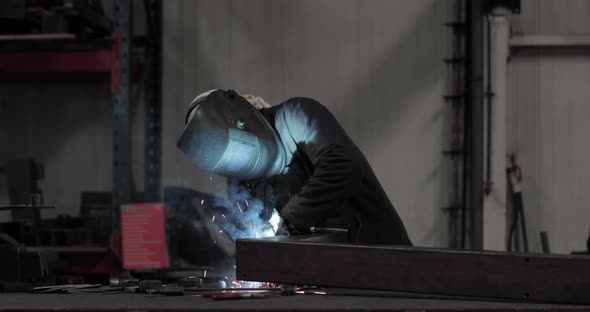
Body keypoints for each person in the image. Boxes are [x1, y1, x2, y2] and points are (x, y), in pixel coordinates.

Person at [177, 89, 412, 246]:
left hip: (381, 258)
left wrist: (289, 221)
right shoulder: (239, 179)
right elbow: (254, 234)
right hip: (325, 282)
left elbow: (344, 164)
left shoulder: (294, 116)